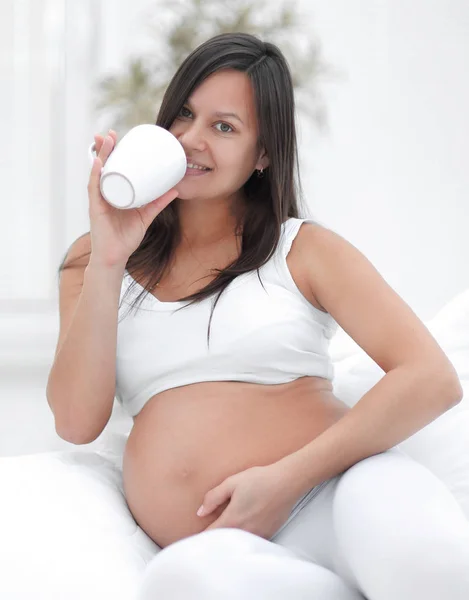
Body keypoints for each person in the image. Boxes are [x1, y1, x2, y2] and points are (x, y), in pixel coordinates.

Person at [47, 32, 469, 600]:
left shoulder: (303, 249)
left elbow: (431, 379)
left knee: (426, 563)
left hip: (341, 495)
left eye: (224, 127)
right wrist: (109, 257)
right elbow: (76, 422)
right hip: (221, 545)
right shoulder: (93, 260)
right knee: (177, 583)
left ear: (263, 155)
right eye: (185, 116)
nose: (193, 140)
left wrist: (285, 480)